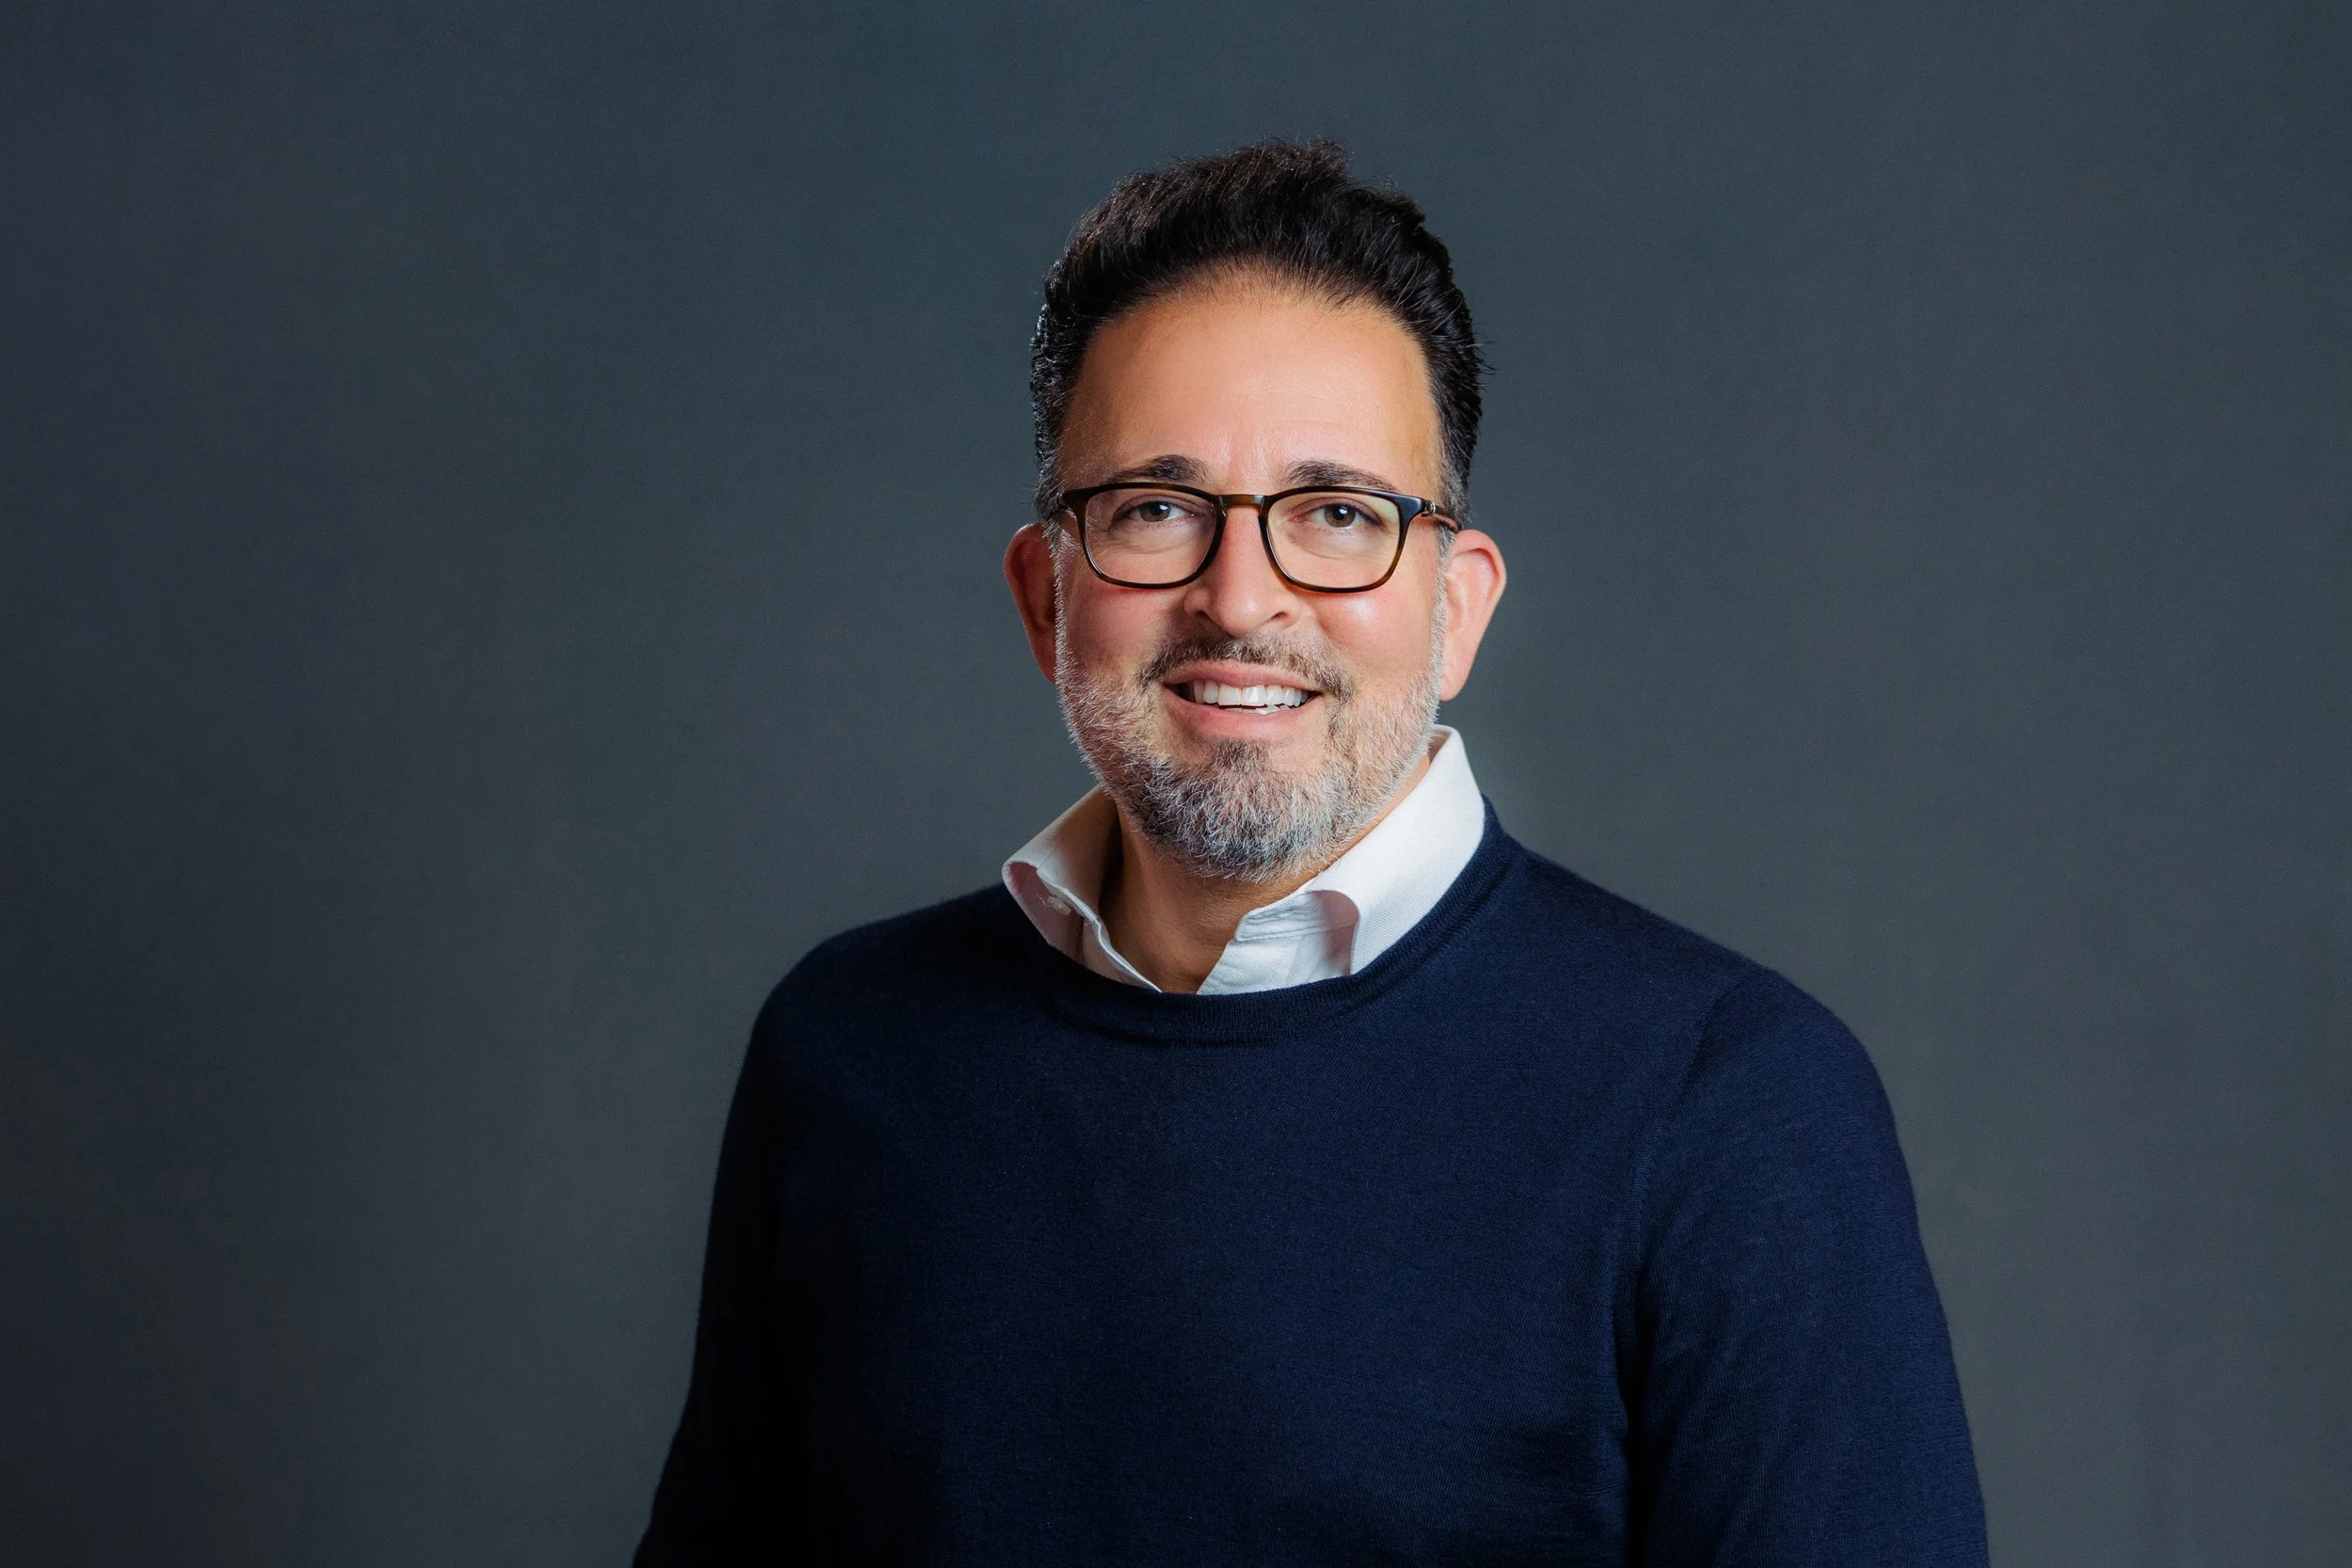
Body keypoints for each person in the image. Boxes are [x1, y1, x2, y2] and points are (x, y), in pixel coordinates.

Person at [635, 139, 1987, 1565]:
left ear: (1456, 611)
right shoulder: (847, 1050)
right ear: (1046, 596)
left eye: (1339, 514)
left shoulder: (1735, 1108)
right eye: (1156, 508)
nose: (1239, 598)